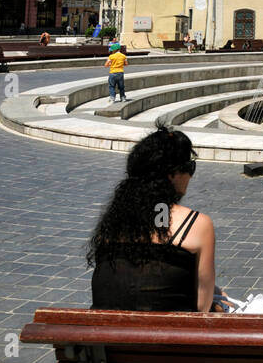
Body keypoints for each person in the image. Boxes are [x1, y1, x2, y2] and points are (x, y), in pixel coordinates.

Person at [87, 128, 223, 313]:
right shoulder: (197, 224)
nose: (190, 176)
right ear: (172, 174)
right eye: (189, 168)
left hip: (107, 337)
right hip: (167, 338)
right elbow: (202, 307)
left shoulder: (113, 224)